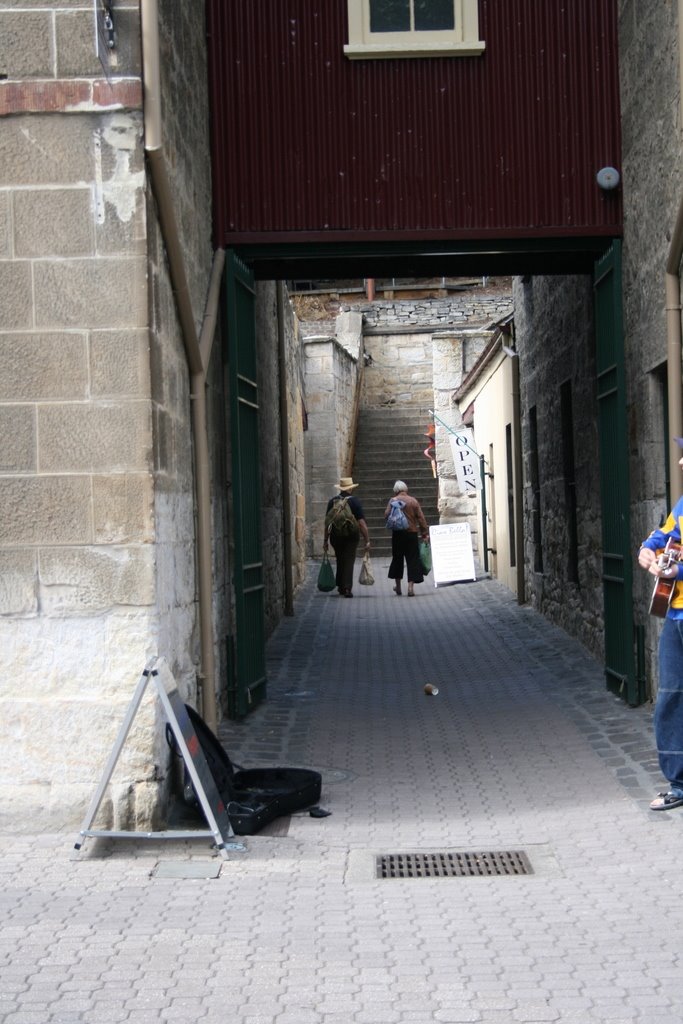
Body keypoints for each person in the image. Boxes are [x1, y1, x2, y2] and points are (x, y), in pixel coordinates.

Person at [638, 442, 683, 809]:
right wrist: (647, 550)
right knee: (669, 697)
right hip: (676, 614)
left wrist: (678, 569)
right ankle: (679, 784)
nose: (681, 461)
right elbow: (663, 533)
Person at [323, 476, 370, 598]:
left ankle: (340, 586)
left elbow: (328, 523)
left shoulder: (332, 502)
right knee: (349, 561)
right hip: (351, 537)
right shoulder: (354, 502)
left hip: (336, 536)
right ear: (351, 488)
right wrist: (367, 540)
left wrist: (325, 540)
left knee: (340, 559)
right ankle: (347, 588)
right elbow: (361, 523)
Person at [385, 480, 429, 597]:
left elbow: (386, 515)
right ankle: (410, 588)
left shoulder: (393, 501)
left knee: (397, 559)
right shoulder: (413, 501)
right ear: (406, 489)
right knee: (412, 559)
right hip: (411, 534)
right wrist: (424, 533)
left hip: (397, 535)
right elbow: (421, 518)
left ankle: (398, 587)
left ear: (396, 490)